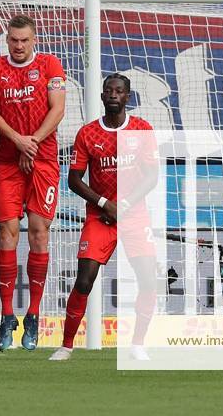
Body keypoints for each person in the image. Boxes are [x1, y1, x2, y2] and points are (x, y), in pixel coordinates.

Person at [49, 73, 158, 362]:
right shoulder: (87, 133)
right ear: (101, 97)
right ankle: (66, 346)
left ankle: (137, 344)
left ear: (127, 97)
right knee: (84, 281)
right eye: (108, 90)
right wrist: (103, 203)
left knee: (148, 281)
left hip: (134, 216)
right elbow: (73, 180)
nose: (113, 95)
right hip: (100, 217)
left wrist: (122, 204)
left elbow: (152, 176)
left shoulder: (142, 129)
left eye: (119, 91)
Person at [0, 15, 65, 351]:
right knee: (7, 232)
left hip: (43, 160)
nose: (19, 46)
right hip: (7, 160)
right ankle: (7, 315)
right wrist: (18, 141)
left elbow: (58, 109)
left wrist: (31, 142)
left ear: (34, 41)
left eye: (24, 41)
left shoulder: (50, 65)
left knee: (38, 232)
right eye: (14, 40)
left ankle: (32, 314)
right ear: (7, 40)